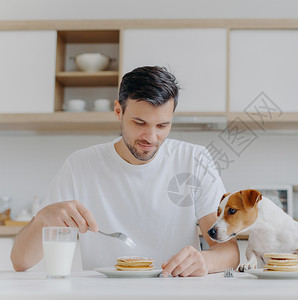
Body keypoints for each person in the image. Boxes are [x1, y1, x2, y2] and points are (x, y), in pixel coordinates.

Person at [10, 66, 240, 277]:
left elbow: (228, 251)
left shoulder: (194, 160)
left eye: (162, 126)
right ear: (118, 111)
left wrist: (205, 262)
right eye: (139, 123)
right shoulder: (79, 165)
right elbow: (20, 262)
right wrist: (42, 220)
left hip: (172, 289)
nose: (151, 138)